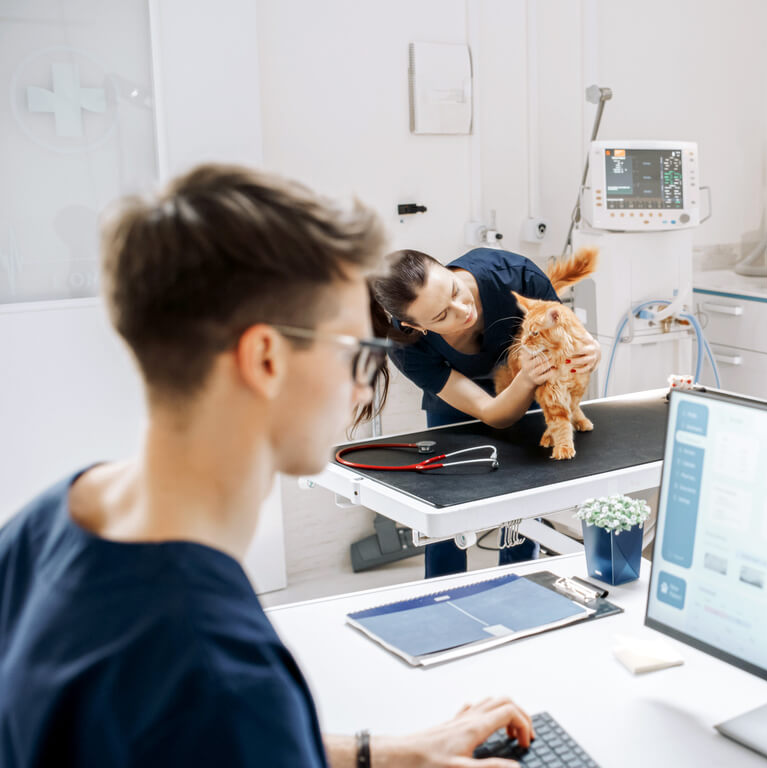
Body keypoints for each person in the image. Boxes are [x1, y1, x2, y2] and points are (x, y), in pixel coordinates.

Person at [0, 164, 534, 767]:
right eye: (354, 353)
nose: (361, 393)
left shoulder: (48, 522)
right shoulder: (213, 666)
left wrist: (392, 754)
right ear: (266, 359)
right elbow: (225, 723)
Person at [363, 247, 600, 577]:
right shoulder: (407, 346)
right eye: (441, 316)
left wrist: (589, 349)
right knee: (446, 508)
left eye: (455, 291)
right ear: (415, 326)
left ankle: (520, 583)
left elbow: (569, 339)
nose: (462, 311)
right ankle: (442, 593)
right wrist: (528, 377)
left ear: (445, 268)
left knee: (526, 499)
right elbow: (492, 413)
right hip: (457, 408)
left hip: (528, 384)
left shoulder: (516, 276)